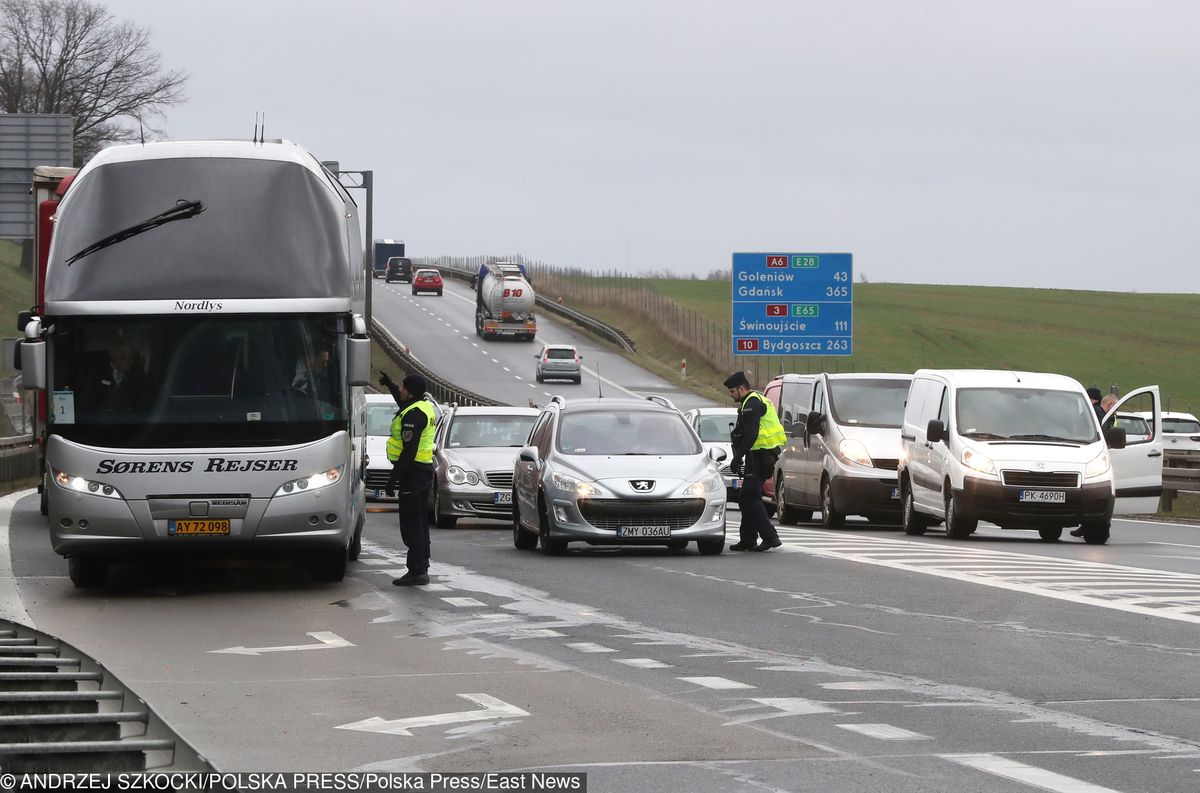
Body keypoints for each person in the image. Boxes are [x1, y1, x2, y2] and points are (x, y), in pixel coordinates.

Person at [380, 371, 437, 586]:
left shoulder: (414, 415)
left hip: (413, 472)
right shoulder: (422, 406)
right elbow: (403, 401)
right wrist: (391, 385)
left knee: (411, 524)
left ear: (410, 392)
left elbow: (409, 451)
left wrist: (392, 479)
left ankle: (417, 571)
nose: (400, 390)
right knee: (420, 521)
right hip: (421, 471)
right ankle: (421, 566)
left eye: (403, 387)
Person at [724, 371, 786, 552]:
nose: (731, 394)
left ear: (741, 388)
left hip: (761, 454)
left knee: (750, 496)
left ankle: (770, 536)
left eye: (732, 391)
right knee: (746, 497)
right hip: (759, 454)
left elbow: (751, 434)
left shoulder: (752, 403)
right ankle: (748, 539)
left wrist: (737, 457)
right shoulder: (753, 401)